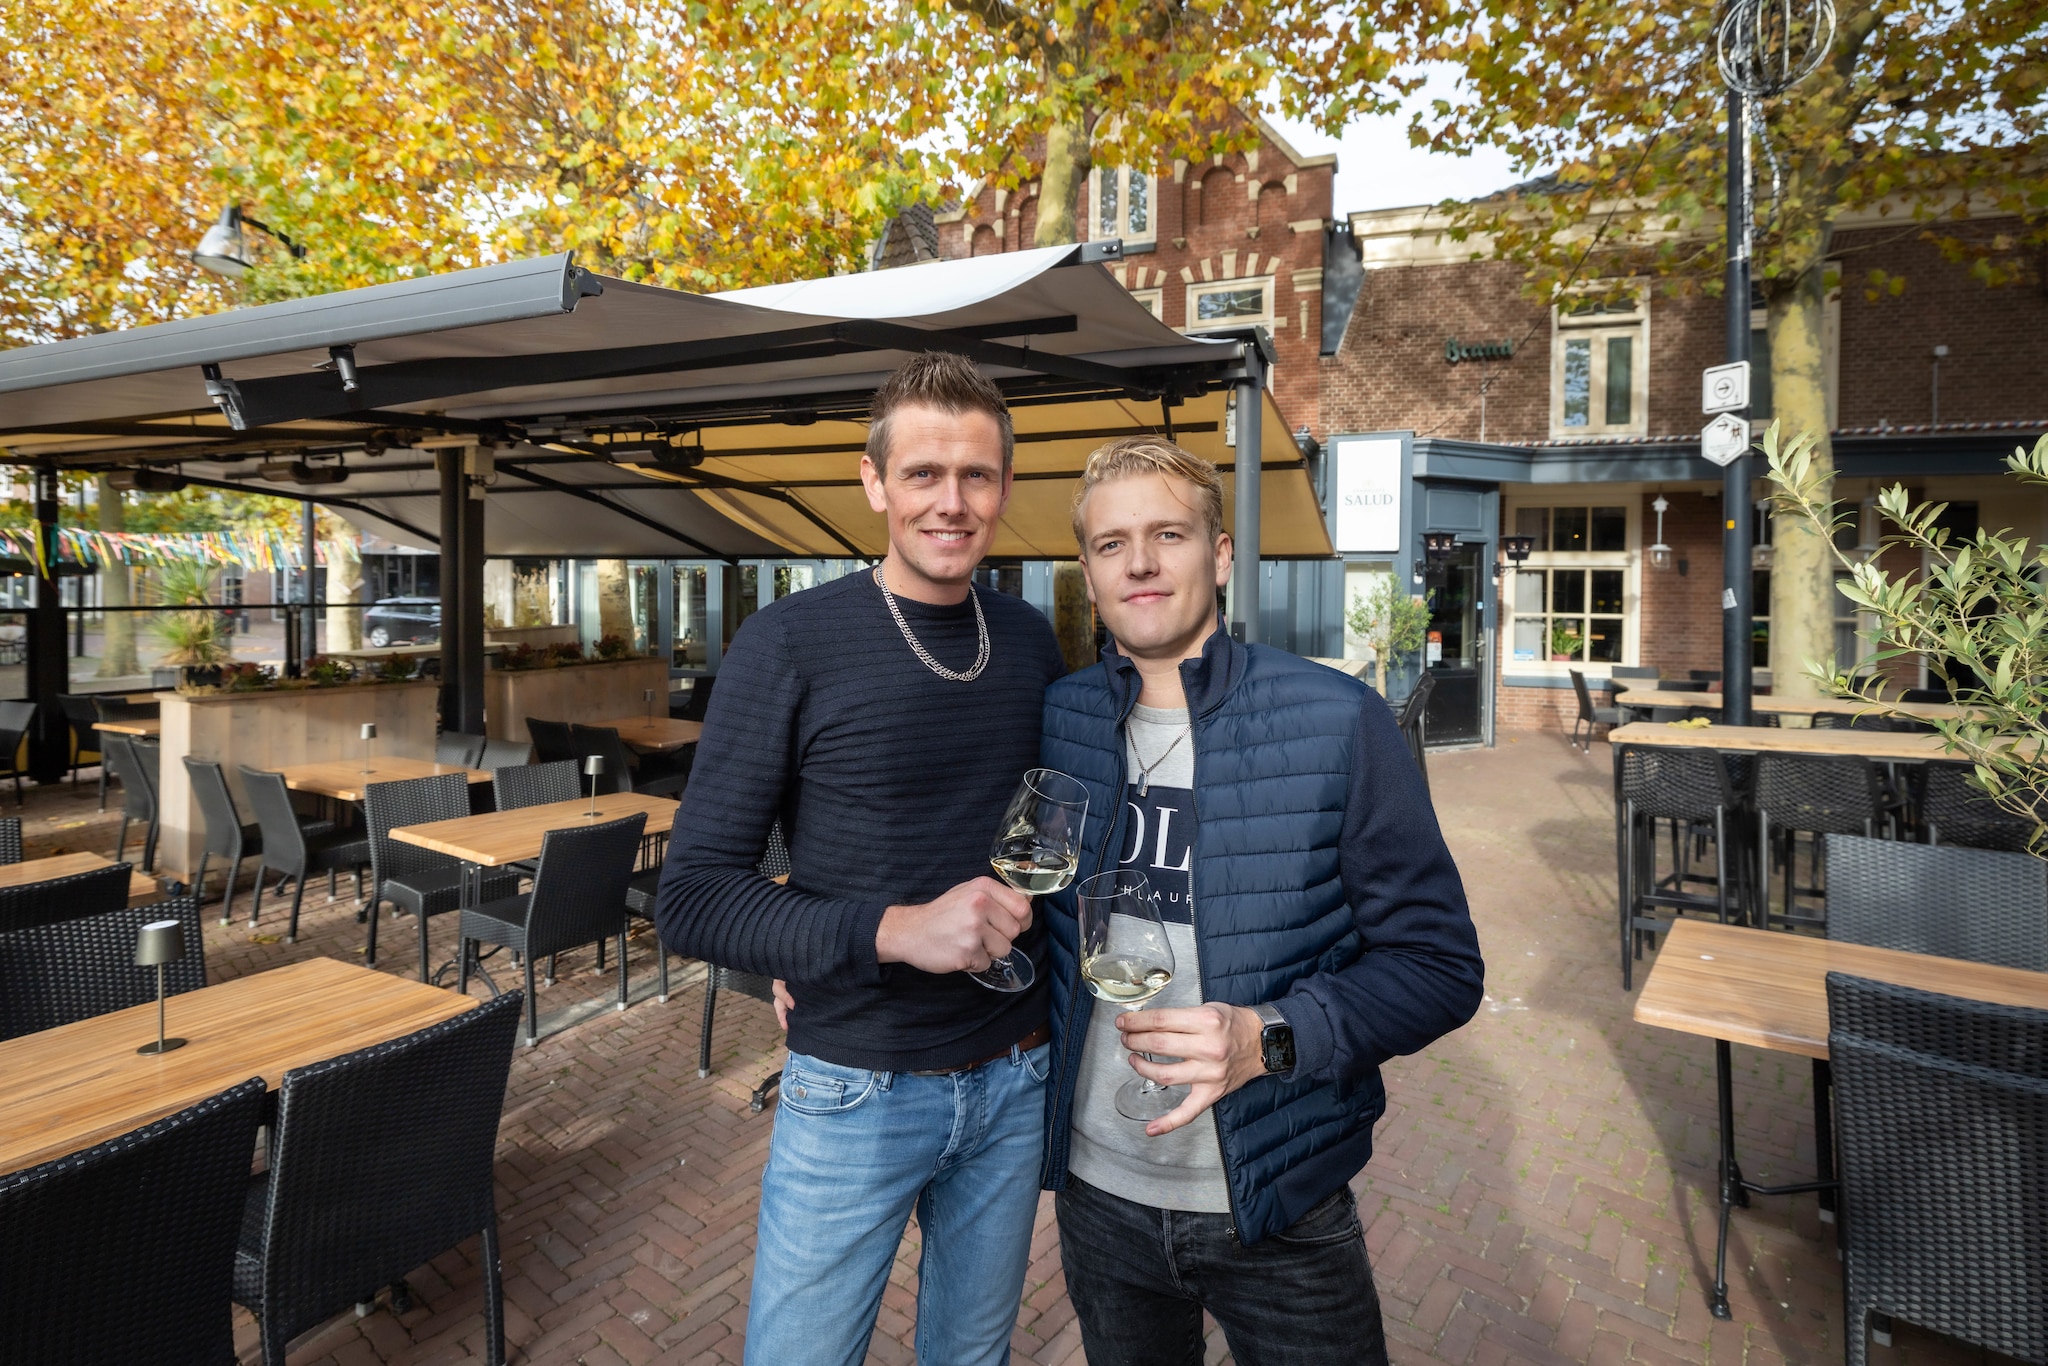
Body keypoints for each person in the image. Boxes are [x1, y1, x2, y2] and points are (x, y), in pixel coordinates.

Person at [655, 350, 1068, 1366]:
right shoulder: (788, 641)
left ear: (1004, 487)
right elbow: (693, 897)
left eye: (976, 475)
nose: (952, 501)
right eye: (923, 473)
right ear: (875, 481)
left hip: (1016, 1072)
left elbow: (1040, 830)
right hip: (856, 1082)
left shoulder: (1026, 638)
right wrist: (884, 932)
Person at [1037, 437, 1485, 1366]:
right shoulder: (1061, 716)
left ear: (1222, 554)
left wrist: (1269, 1037)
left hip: (1277, 1196)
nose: (1143, 563)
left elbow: (1440, 967)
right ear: (1088, 570)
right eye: (1112, 544)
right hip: (1098, 1194)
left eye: (1169, 534)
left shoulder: (1337, 719)